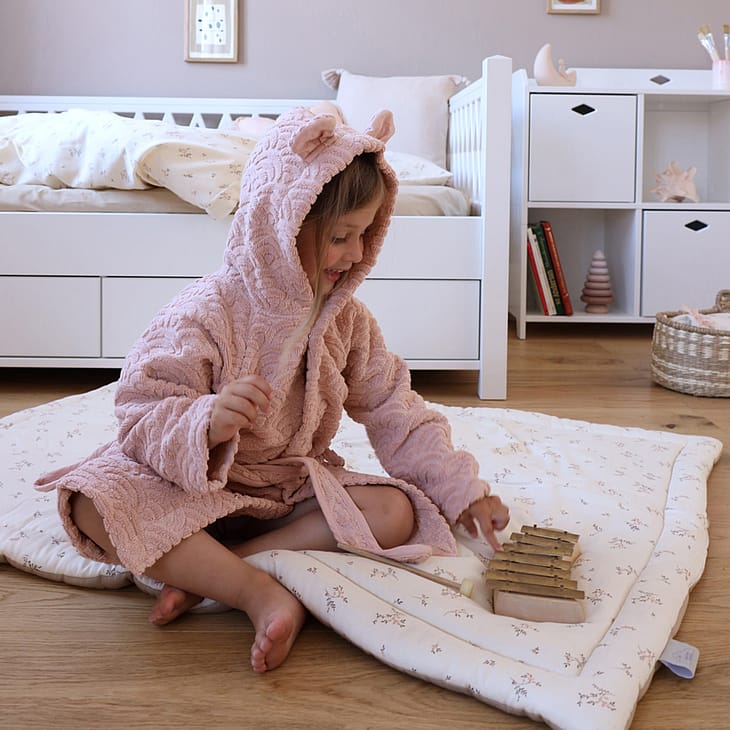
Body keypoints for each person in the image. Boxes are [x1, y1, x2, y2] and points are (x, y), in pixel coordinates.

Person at [36, 104, 510, 674]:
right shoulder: (206, 311)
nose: (356, 255)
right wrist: (206, 421)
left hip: (284, 493)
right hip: (190, 488)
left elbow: (396, 409)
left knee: (395, 511)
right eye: (340, 237)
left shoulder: (348, 323)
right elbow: (141, 408)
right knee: (91, 499)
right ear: (280, 224)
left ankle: (218, 569)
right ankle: (258, 592)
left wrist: (463, 491)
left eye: (365, 235)